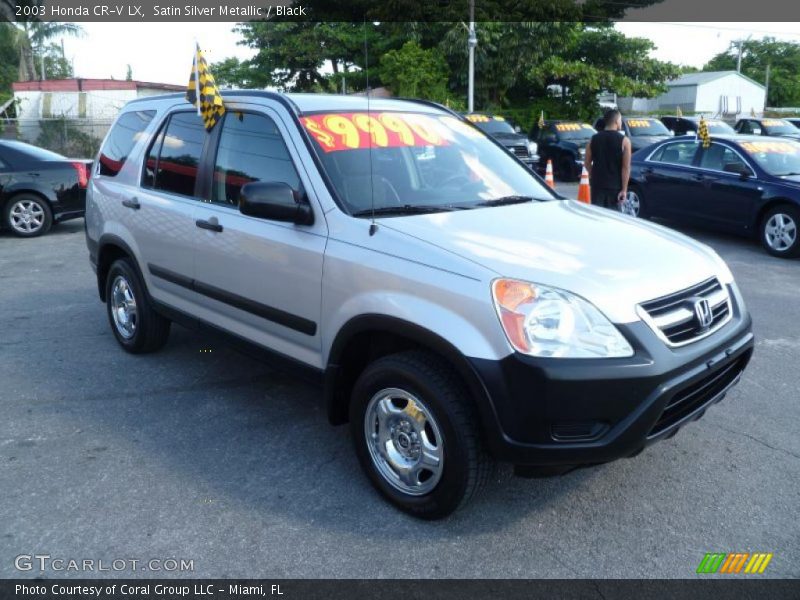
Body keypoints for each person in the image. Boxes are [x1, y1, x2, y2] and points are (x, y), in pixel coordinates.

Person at [585, 109, 632, 211]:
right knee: (612, 219)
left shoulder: (593, 139)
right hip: (614, 188)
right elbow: (626, 167)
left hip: (597, 186)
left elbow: (587, 163)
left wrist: (592, 176)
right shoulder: (625, 141)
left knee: (596, 216)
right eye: (620, 120)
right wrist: (624, 189)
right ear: (616, 121)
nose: (621, 123)